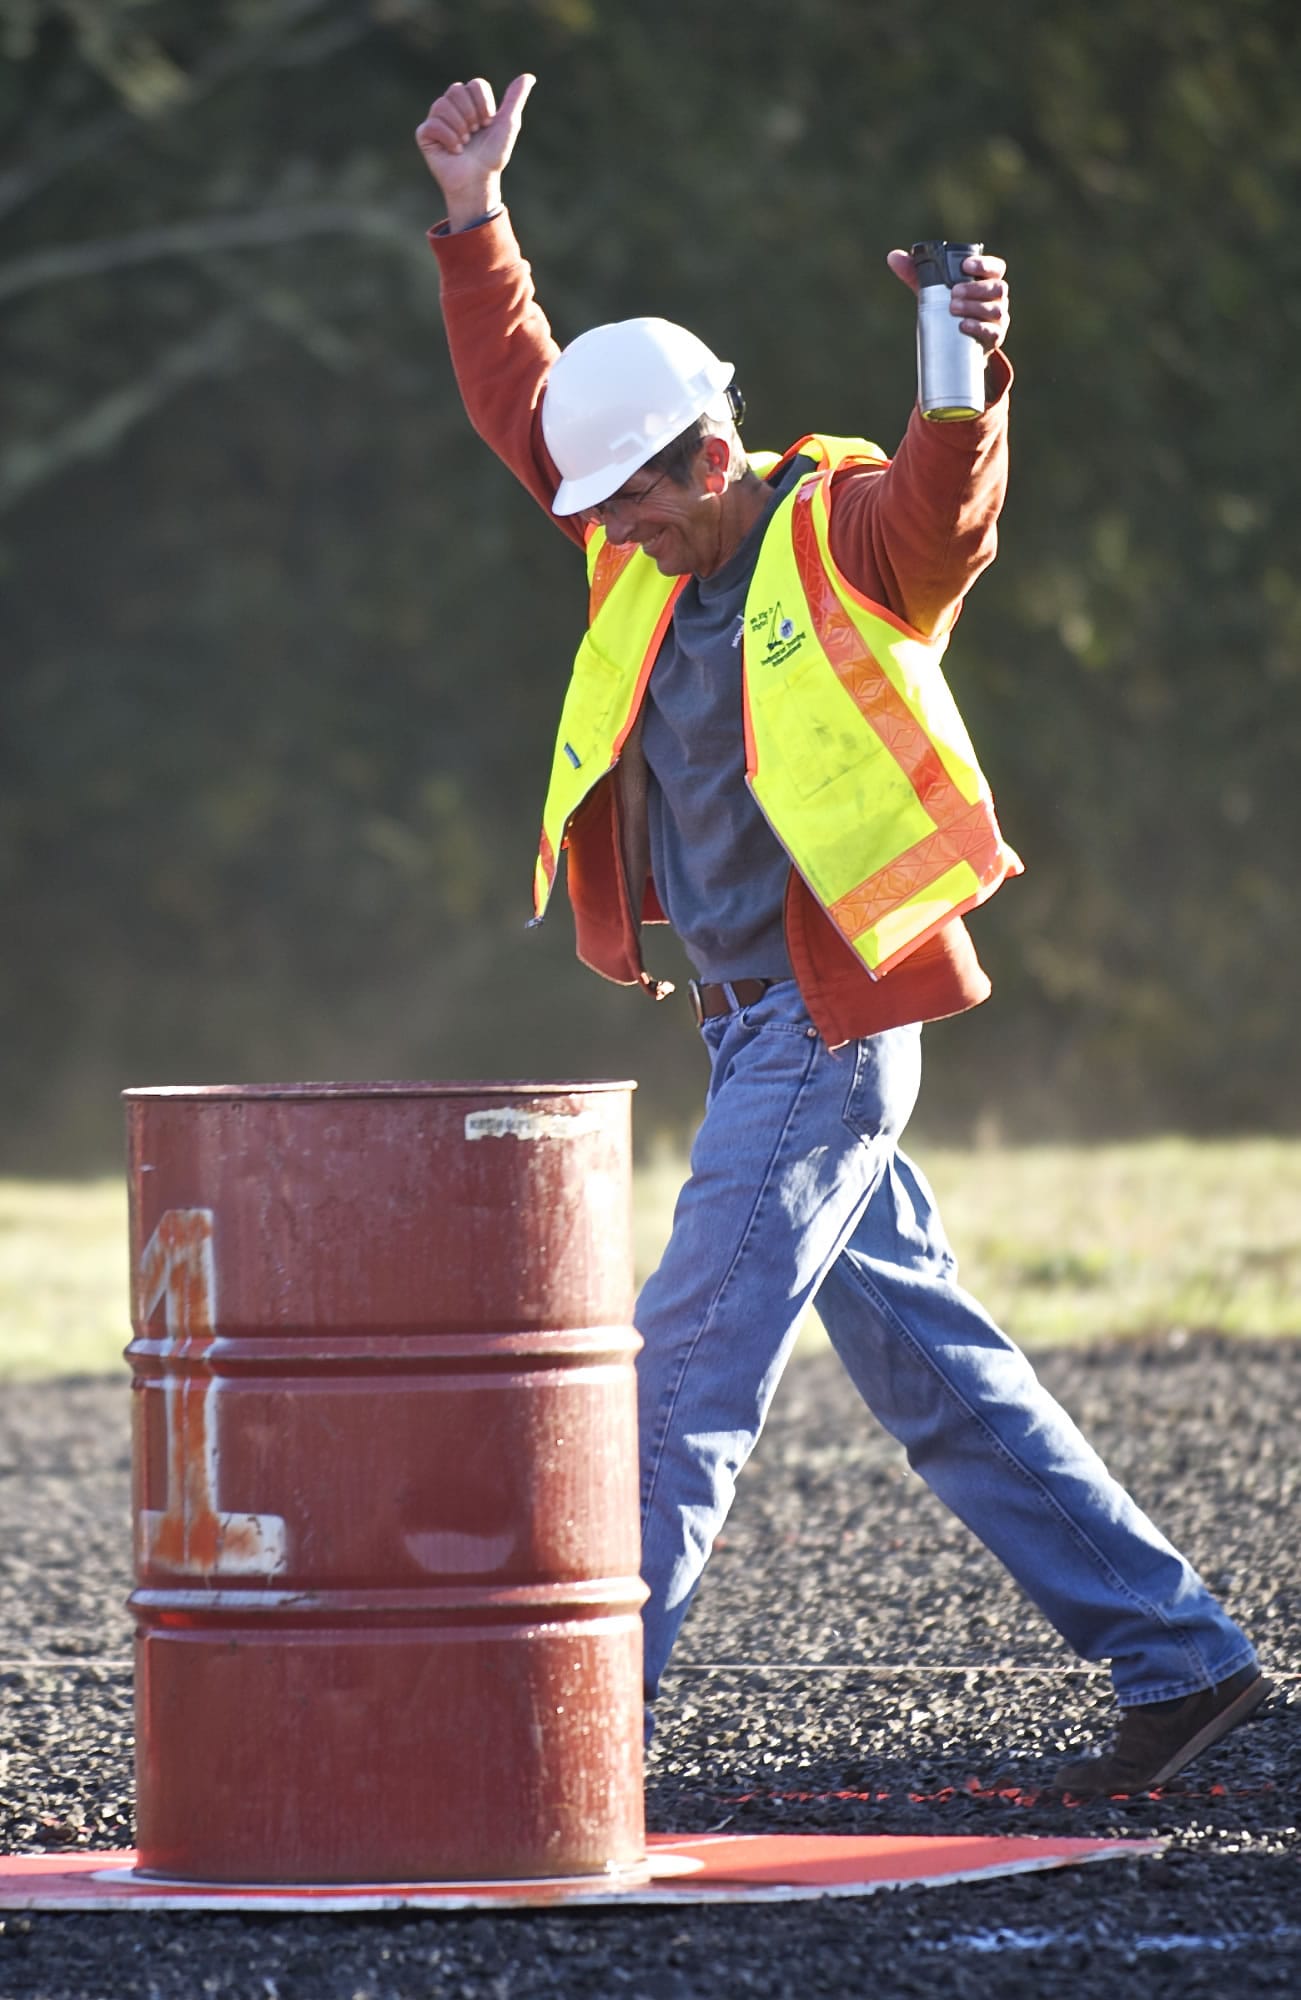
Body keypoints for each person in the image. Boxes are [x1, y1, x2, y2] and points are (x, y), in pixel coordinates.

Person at [414, 73, 1268, 1796]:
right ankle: (1184, 1663)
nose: (606, 533)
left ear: (711, 459)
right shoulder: (635, 553)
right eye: (595, 513)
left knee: (685, 1361)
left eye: (635, 504)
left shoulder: (841, 528)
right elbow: (530, 406)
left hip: (830, 1023)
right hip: (743, 1024)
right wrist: (472, 216)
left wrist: (958, 361)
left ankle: (566, 1743)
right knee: (936, 1373)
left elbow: (948, 511)